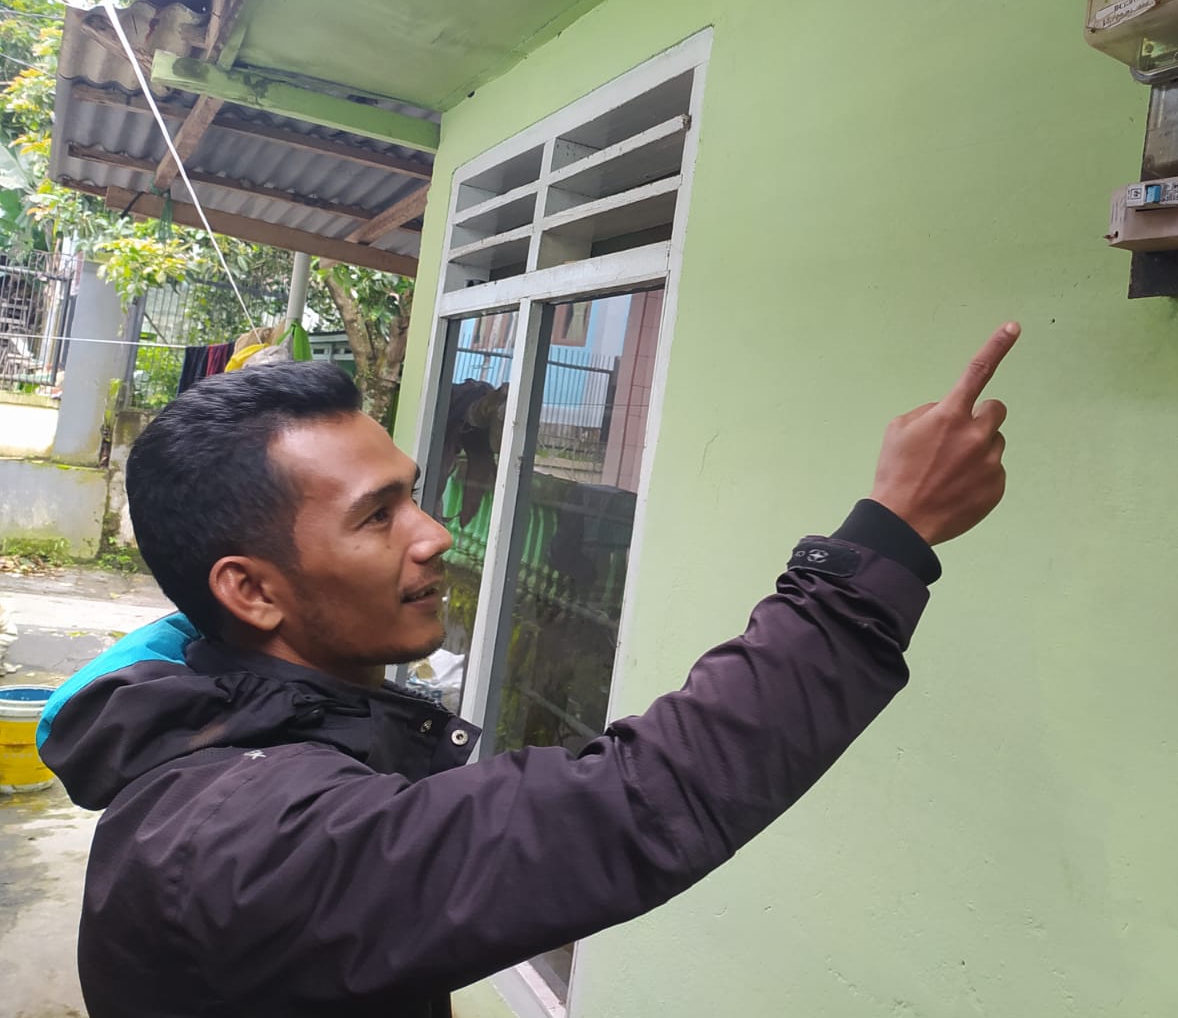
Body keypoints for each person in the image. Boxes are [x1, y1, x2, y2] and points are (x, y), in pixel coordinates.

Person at [38, 322, 1020, 1018]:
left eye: (413, 496)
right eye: (377, 516)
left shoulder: (247, 724)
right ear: (251, 593)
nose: (433, 536)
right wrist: (889, 540)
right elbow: (638, 804)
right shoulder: (250, 845)